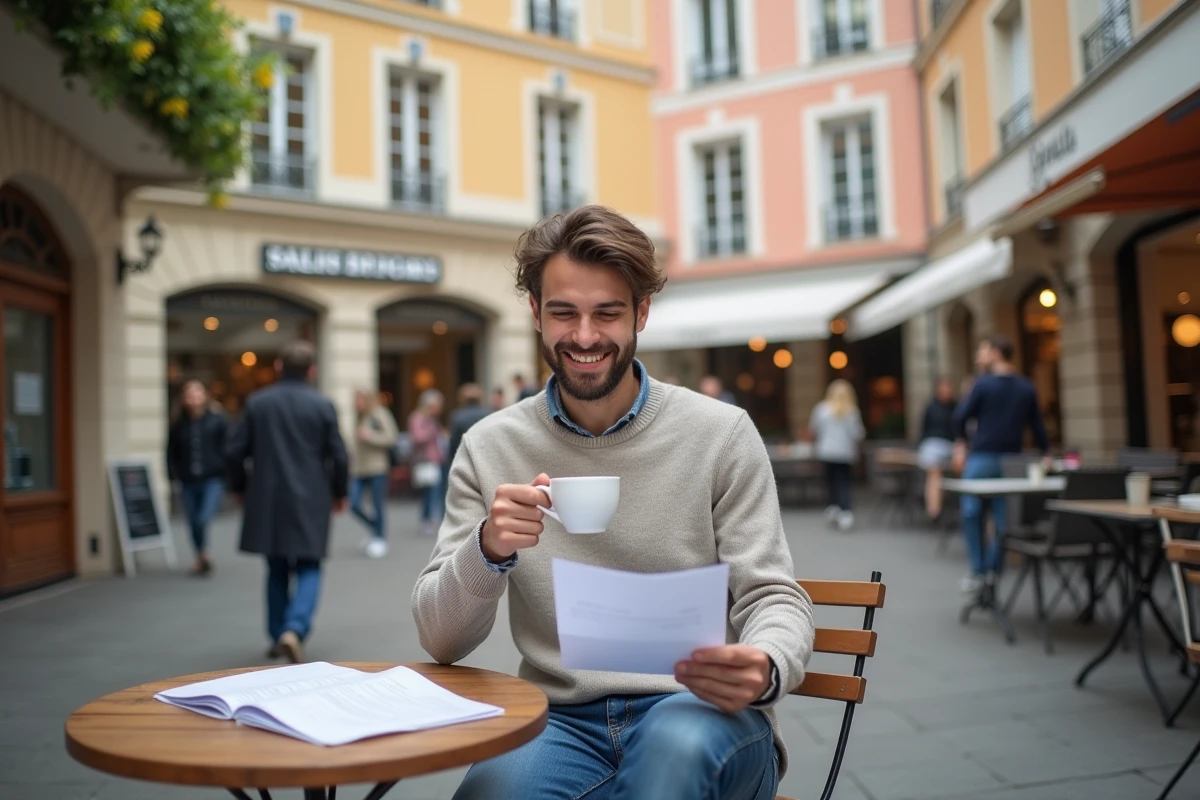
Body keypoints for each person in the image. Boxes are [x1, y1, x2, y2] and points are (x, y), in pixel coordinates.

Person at [412, 205, 814, 800]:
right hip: (560, 723)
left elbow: (774, 594)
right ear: (535, 314)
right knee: (489, 794)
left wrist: (766, 663)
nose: (584, 336)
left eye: (607, 313)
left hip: (700, 710)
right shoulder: (489, 446)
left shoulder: (720, 433)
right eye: (563, 313)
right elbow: (440, 640)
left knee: (670, 764)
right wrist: (487, 549)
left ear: (641, 313)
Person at [226, 341, 348, 663]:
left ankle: (278, 632)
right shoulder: (322, 405)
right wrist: (340, 492)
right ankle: (295, 629)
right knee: (310, 563)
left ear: (280, 367)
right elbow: (338, 454)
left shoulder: (258, 403)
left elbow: (235, 451)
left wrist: (239, 487)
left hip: (267, 496)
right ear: (312, 371)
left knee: (276, 567)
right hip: (311, 496)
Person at [952, 335, 1049, 594]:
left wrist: (961, 440)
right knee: (1003, 521)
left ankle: (978, 571)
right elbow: (1038, 426)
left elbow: (960, 416)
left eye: (982, 351)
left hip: (982, 457)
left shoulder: (982, 385)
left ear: (996, 353)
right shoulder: (1026, 386)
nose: (977, 356)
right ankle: (993, 570)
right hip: (1012, 461)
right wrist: (1046, 452)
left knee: (972, 513)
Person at [166, 380, 228, 576]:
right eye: (189, 395)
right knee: (192, 520)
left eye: (197, 394)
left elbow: (226, 448)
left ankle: (203, 553)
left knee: (202, 518)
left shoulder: (217, 420)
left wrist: (227, 472)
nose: (193, 399)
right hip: (187, 479)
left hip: (212, 478)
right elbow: (170, 451)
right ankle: (201, 555)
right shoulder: (178, 423)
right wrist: (171, 475)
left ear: (205, 396)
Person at [808, 380, 865, 532]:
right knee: (844, 482)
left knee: (831, 481)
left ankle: (833, 508)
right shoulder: (852, 411)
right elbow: (858, 434)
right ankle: (845, 511)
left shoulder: (821, 409)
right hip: (844, 453)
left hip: (826, 451)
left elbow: (814, 429)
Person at [350, 389, 399, 559]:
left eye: (359, 399)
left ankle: (379, 538)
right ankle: (375, 528)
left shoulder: (379, 414)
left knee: (377, 504)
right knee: (354, 503)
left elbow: (391, 437)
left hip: (377, 467)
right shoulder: (360, 416)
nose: (356, 403)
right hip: (358, 469)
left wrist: (369, 436)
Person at [918, 377, 958, 522]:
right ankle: (934, 510)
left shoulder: (956, 406)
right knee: (935, 472)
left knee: (950, 473)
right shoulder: (931, 407)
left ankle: (951, 507)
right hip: (933, 444)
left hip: (952, 446)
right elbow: (923, 429)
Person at [408, 389, 447, 537]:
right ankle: (426, 520)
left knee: (436, 493)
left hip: (438, 459)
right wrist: (432, 432)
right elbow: (417, 437)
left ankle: (431, 519)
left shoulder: (432, 419)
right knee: (429, 493)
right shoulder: (418, 418)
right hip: (426, 461)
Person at [448, 383, 491, 464]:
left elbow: (453, 442)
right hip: (484, 458)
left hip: (464, 458)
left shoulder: (457, 416)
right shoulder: (487, 413)